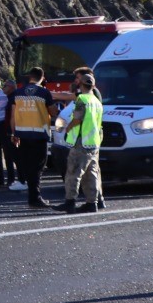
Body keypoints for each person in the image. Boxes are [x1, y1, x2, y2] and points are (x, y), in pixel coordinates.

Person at [10, 68, 58, 209]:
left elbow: (13, 116)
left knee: (28, 167)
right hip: (39, 135)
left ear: (29, 77)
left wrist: (14, 133)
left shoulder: (17, 93)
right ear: (42, 78)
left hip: (22, 135)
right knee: (38, 168)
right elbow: (53, 111)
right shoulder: (44, 92)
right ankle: (35, 198)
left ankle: (33, 197)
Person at [62, 71, 105, 213]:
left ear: (80, 84)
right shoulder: (97, 102)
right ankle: (92, 202)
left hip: (80, 142)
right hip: (94, 142)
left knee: (74, 172)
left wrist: (68, 128)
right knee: (91, 173)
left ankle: (70, 201)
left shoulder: (82, 99)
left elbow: (77, 119)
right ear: (93, 86)